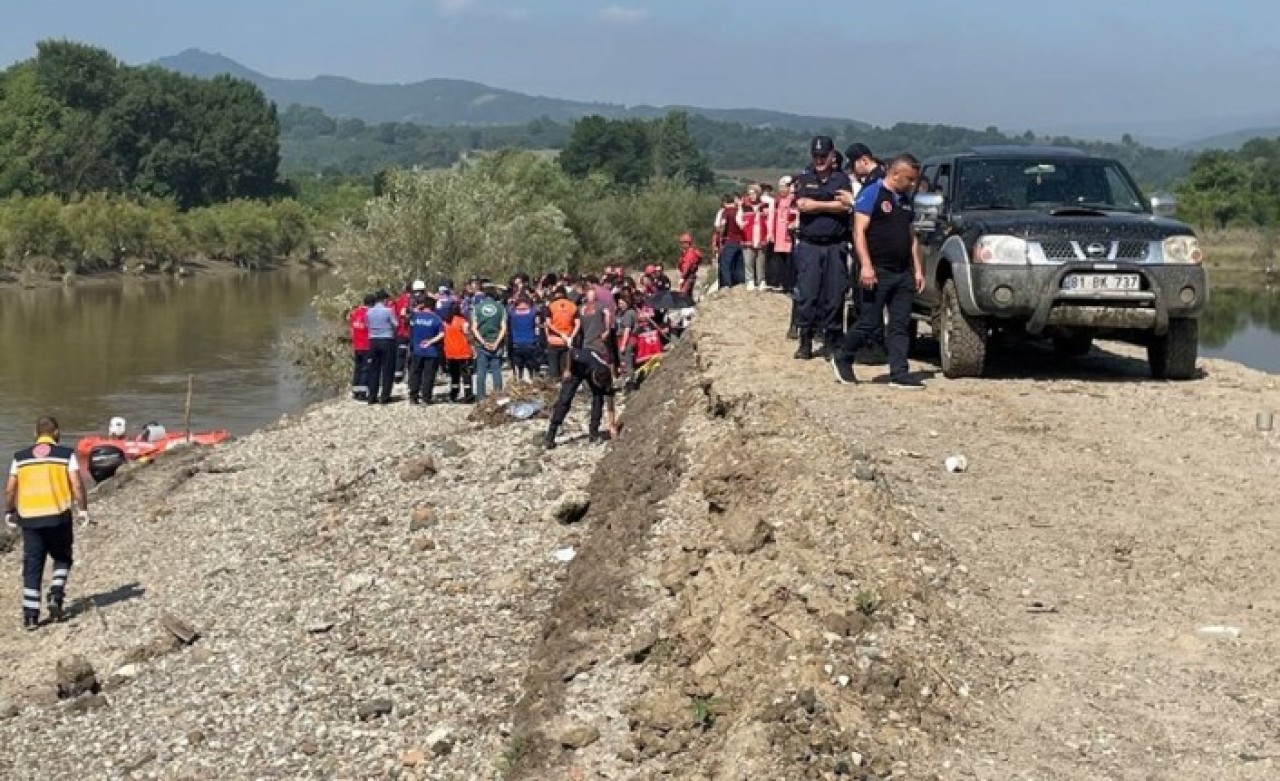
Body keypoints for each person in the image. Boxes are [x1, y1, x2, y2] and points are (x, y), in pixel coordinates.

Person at [831, 155, 927, 389]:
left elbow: (911, 236)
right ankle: (843, 355)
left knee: (900, 324)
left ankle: (899, 372)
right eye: (909, 179)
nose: (913, 184)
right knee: (870, 322)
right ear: (895, 175)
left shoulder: (904, 200)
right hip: (877, 269)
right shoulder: (872, 193)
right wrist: (865, 264)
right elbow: (859, 231)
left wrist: (918, 269)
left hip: (902, 271)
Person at [5, 417, 88, 631]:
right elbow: (77, 485)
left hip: (30, 519)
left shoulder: (20, 457)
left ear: (36, 434)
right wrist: (83, 510)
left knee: (32, 565)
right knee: (62, 557)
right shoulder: (66, 455)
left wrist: (9, 511)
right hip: (58, 517)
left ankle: (31, 617)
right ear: (56, 433)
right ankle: (56, 593)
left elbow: (10, 488)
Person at [791, 136, 854, 360]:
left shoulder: (841, 179)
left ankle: (832, 341)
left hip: (835, 245)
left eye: (823, 156)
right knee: (808, 295)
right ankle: (805, 340)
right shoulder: (805, 179)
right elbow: (801, 205)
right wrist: (830, 204)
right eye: (815, 156)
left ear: (831, 156)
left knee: (835, 295)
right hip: (810, 245)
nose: (819, 160)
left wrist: (817, 204)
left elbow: (845, 205)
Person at [543, 348, 619, 450]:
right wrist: (567, 370)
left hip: (593, 369)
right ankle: (551, 435)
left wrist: (612, 425)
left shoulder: (607, 374)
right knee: (565, 399)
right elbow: (570, 352)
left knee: (598, 398)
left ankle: (594, 433)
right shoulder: (583, 358)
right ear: (593, 377)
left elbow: (610, 401)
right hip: (576, 369)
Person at [407, 295, 445, 405]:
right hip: (431, 351)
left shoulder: (416, 316)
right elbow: (442, 334)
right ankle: (426, 398)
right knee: (428, 375)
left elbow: (410, 326)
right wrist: (430, 341)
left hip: (417, 350)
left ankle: (413, 397)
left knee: (415, 373)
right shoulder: (436, 318)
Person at [470, 289, 507, 401]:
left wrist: (483, 342)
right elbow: (504, 328)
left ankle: (481, 397)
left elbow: (474, 328)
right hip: (496, 342)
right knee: (496, 370)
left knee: (481, 371)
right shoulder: (501, 308)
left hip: (482, 344)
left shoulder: (477, 308)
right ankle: (498, 396)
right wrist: (496, 342)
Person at [365, 290, 398, 404]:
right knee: (387, 369)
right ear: (384, 299)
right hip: (387, 340)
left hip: (373, 341)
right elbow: (396, 324)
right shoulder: (388, 311)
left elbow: (366, 324)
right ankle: (384, 397)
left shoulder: (369, 312)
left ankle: (372, 396)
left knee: (374, 369)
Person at [769, 175, 797, 298]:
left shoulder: (793, 200)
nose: (781, 189)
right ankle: (783, 284)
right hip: (779, 234)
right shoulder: (777, 201)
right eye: (779, 187)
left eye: (783, 187)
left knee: (790, 261)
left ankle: (790, 284)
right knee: (780, 260)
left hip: (789, 235)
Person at [443, 307, 476, 403]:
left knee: (454, 376)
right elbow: (468, 336)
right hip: (463, 352)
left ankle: (453, 395)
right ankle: (468, 395)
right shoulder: (462, 322)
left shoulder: (446, 322)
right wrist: (473, 347)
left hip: (450, 353)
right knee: (466, 375)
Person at [544, 287, 579, 379]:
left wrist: (551, 335)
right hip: (567, 342)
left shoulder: (551, 306)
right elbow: (577, 324)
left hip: (553, 341)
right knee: (565, 368)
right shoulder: (573, 306)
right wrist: (571, 337)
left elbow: (548, 323)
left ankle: (555, 385)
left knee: (553, 369)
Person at [713, 193, 746, 290]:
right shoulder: (739, 210)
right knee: (738, 264)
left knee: (725, 263)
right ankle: (740, 283)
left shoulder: (725, 212)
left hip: (730, 240)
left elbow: (722, 226)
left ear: (724, 202)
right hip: (740, 241)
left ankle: (727, 284)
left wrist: (721, 236)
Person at [507, 293, 542, 383]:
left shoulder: (513, 313)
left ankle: (520, 379)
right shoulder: (532, 312)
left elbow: (509, 308)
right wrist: (532, 301)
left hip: (516, 343)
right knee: (530, 364)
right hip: (530, 342)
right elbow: (538, 309)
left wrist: (513, 302)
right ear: (527, 302)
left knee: (519, 364)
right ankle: (530, 379)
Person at [740, 185, 769, 291]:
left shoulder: (764, 205)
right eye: (750, 193)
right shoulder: (744, 206)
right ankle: (750, 280)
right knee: (748, 259)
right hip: (747, 234)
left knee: (761, 260)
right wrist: (742, 224)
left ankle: (761, 280)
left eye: (753, 193)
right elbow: (738, 218)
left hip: (761, 234)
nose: (751, 196)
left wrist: (769, 233)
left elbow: (768, 220)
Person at [348, 293, 374, 400]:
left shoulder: (355, 313)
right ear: (372, 303)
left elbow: (351, 329)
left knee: (357, 368)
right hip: (366, 346)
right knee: (365, 369)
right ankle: (362, 393)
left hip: (356, 345)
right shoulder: (369, 314)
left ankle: (355, 391)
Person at [393, 282, 418, 385]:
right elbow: (405, 314)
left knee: (400, 355)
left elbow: (395, 315)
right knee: (411, 355)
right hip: (409, 331)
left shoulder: (398, 300)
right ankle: (410, 377)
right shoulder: (412, 300)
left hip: (400, 332)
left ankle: (398, 377)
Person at [615, 292, 638, 391]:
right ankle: (627, 382)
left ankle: (630, 384)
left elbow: (627, 329)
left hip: (627, 340)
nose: (620, 306)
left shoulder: (629, 314)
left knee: (627, 362)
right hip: (623, 339)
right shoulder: (624, 313)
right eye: (619, 304)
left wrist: (623, 344)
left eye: (621, 303)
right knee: (624, 363)